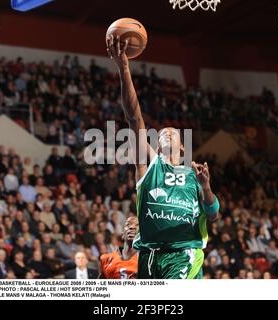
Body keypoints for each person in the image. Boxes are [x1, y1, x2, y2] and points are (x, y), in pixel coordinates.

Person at [107, 35, 219, 279]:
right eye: (162, 134)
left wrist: (206, 187)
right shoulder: (148, 169)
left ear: (182, 148)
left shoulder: (194, 176)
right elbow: (134, 117)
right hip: (148, 256)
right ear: (157, 149)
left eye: (173, 133)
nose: (166, 133)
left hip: (183, 253)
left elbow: (213, 214)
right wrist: (124, 67)